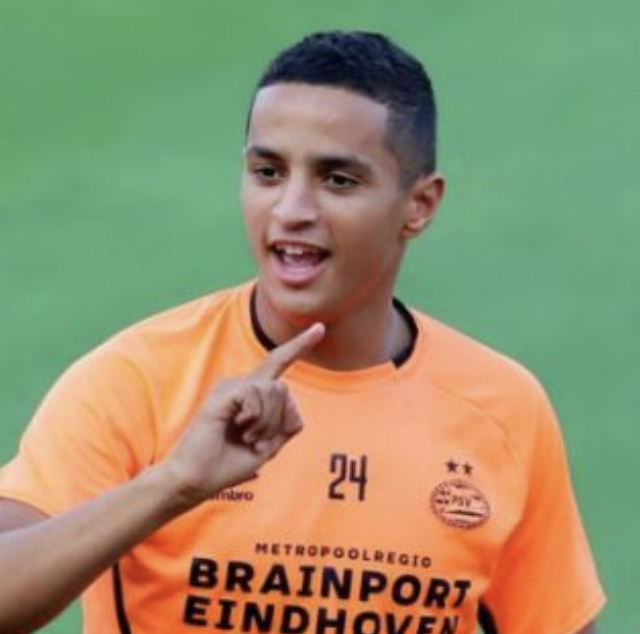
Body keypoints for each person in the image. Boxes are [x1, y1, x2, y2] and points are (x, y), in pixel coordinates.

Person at [0, 31, 604, 634]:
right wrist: (173, 485)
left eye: (337, 180)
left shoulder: (503, 408)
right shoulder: (137, 379)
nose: (291, 209)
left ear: (419, 205)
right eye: (268, 172)